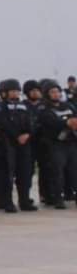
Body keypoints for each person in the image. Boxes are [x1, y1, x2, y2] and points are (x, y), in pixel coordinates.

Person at [0, 79, 37, 212]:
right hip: (7, 144)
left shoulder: (24, 105)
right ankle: (7, 202)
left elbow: (32, 121)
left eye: (17, 91)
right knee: (7, 175)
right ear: (4, 93)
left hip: (24, 143)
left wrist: (28, 134)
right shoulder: (0, 107)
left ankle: (24, 201)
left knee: (25, 173)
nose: (15, 93)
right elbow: (3, 123)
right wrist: (16, 136)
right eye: (12, 91)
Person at [38, 80, 77, 209]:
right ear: (47, 94)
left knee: (74, 170)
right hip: (55, 144)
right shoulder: (44, 108)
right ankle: (57, 198)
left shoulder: (68, 106)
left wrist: (72, 123)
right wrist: (66, 123)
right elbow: (49, 121)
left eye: (57, 91)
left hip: (71, 143)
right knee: (57, 172)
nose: (56, 94)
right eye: (52, 92)